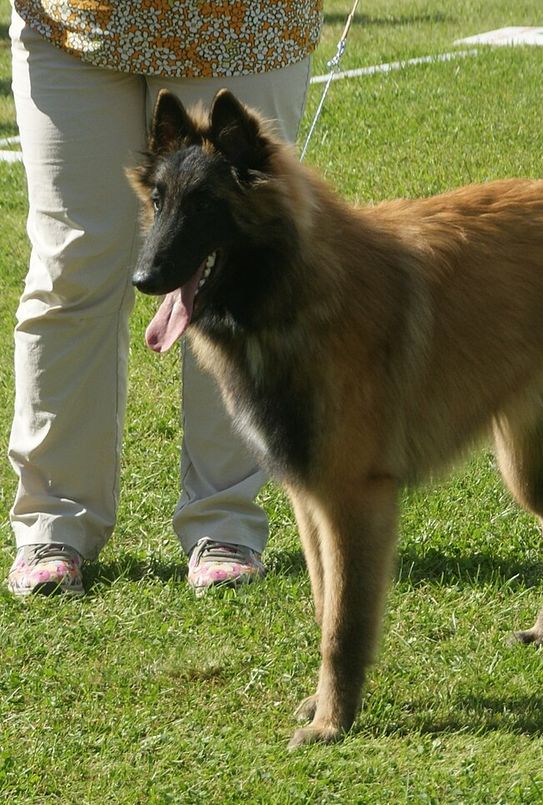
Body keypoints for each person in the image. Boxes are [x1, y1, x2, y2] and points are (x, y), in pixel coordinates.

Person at [6, 1, 322, 597]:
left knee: (231, 273)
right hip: (73, 21)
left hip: (241, 21)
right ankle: (52, 521)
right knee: (69, 268)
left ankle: (224, 521)